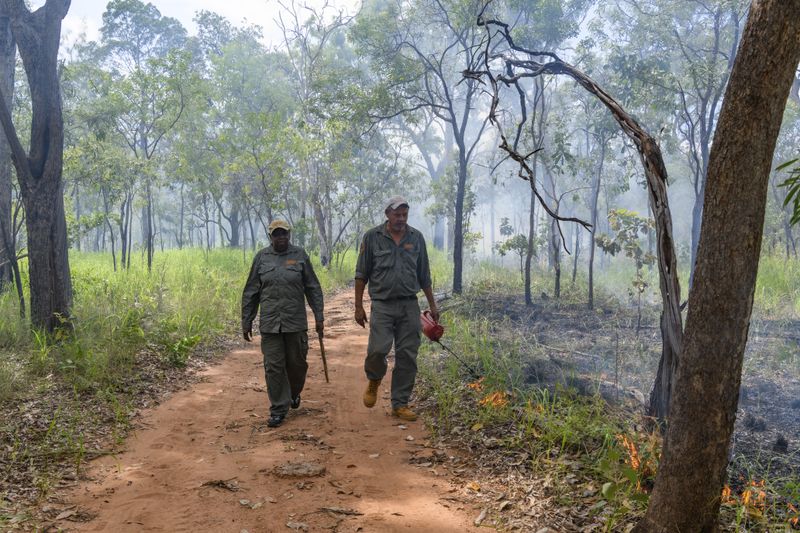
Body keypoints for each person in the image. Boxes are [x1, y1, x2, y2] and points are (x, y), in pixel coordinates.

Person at [354, 196, 439, 422]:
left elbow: (424, 275)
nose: (401, 219)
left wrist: (432, 304)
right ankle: (374, 380)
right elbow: (361, 273)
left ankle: (399, 403)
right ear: (387, 215)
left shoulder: (416, 238)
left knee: (408, 355)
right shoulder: (372, 237)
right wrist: (358, 306)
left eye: (405, 215)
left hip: (409, 305)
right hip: (382, 304)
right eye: (397, 215)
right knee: (377, 350)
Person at [242, 220, 324, 428]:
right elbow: (251, 290)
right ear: (271, 237)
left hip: (295, 322)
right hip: (270, 323)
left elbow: (312, 287)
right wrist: (247, 319)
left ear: (289, 235)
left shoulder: (299, 255)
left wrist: (319, 315)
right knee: (273, 366)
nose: (281, 238)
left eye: (284, 234)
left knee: (297, 364)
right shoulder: (261, 258)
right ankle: (278, 408)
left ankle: (294, 392)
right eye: (277, 234)